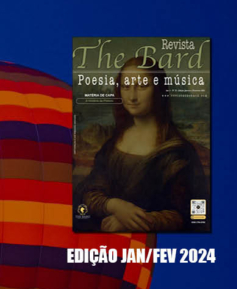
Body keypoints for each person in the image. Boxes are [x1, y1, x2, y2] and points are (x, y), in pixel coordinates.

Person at [76, 56, 208, 232]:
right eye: (126, 87)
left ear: (158, 90)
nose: (132, 96)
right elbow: (89, 193)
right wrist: (114, 205)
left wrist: (133, 222)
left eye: (142, 86)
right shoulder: (113, 144)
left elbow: (193, 214)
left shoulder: (178, 152)